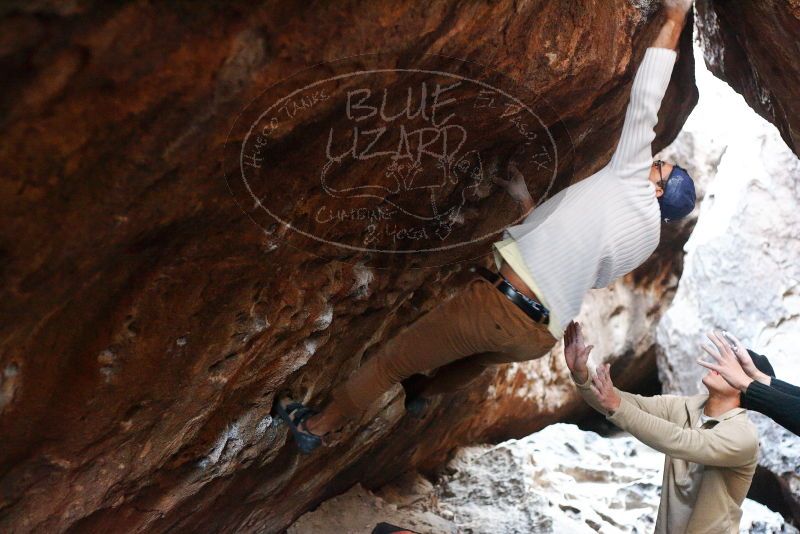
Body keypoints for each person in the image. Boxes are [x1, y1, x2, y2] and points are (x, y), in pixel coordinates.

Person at [275, 0, 697, 454]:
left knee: (391, 361)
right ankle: (421, 394)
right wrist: (525, 204)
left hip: (500, 309)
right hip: (536, 336)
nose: (651, 163)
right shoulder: (645, 242)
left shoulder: (630, 178)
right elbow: (570, 255)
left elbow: (645, 101)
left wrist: (673, 17)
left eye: (659, 168)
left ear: (657, 190)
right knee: (472, 360)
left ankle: (314, 426)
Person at [564, 321, 769, 534]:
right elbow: (617, 402)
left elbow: (680, 440)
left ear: (744, 386)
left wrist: (617, 405)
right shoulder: (685, 407)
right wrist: (582, 375)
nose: (719, 364)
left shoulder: (742, 437)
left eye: (731, 365)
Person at [698, 330, 800, 436]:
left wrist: (746, 383)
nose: (721, 367)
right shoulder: (691, 406)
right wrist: (756, 376)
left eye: (734, 369)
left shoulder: (740, 438)